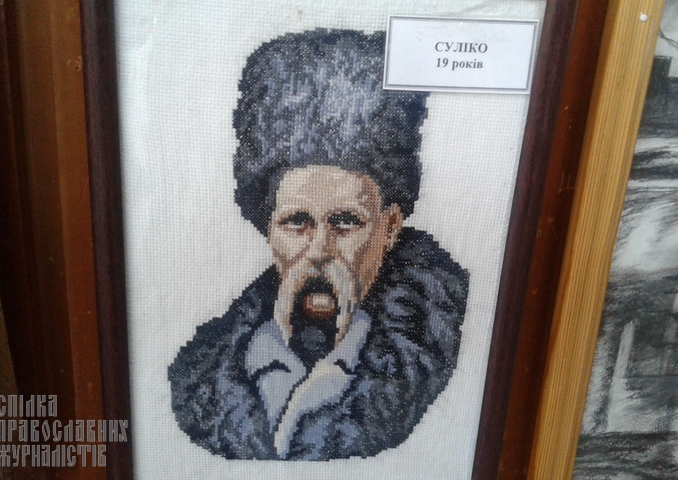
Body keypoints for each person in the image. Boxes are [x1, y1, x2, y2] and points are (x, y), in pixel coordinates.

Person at [169, 28, 469, 460]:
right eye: (297, 223)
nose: (319, 251)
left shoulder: (429, 351)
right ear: (268, 229)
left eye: (345, 222)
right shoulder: (210, 375)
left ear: (389, 228)